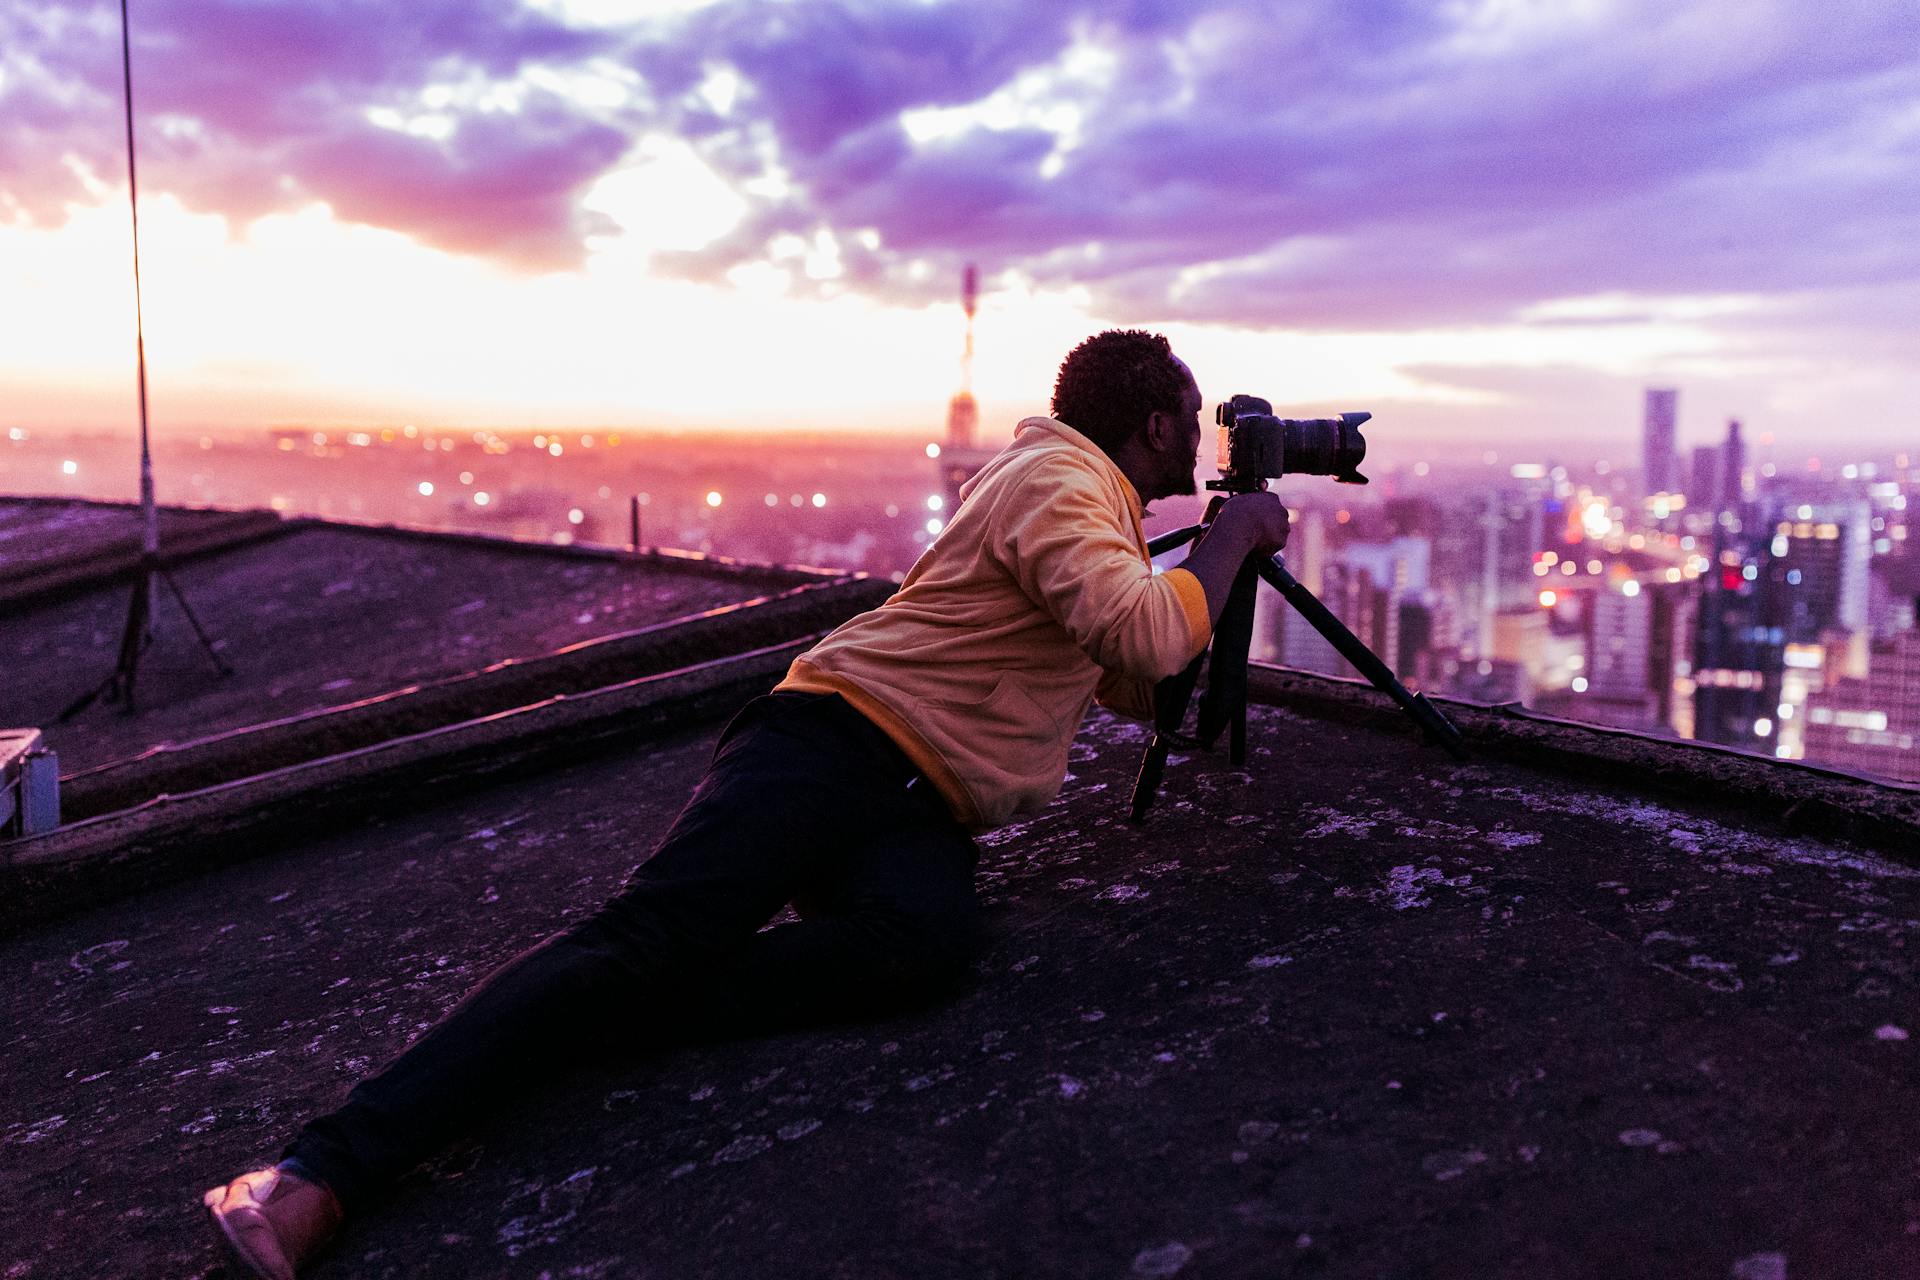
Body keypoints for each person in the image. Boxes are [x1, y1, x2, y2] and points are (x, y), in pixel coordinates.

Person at [201, 329, 1291, 1279]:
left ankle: (577, 1021)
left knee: (924, 942)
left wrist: (1211, 570)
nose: (1193, 457)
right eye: (1188, 433)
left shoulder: (1081, 505)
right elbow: (1149, 636)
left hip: (918, 801)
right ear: (1154, 423)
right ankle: (313, 1176)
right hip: (833, 738)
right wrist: (1235, 538)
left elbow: (1139, 679)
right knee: (647, 935)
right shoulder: (1058, 478)